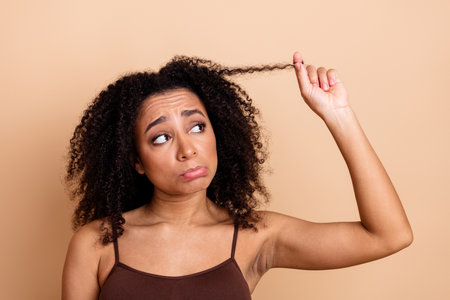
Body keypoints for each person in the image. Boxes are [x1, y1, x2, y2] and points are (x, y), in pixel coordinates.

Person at [62, 52, 413, 299]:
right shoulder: (96, 243)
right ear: (136, 161)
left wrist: (339, 116)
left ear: (219, 134)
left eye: (197, 126)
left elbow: (388, 235)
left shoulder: (255, 236)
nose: (188, 149)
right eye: (161, 137)